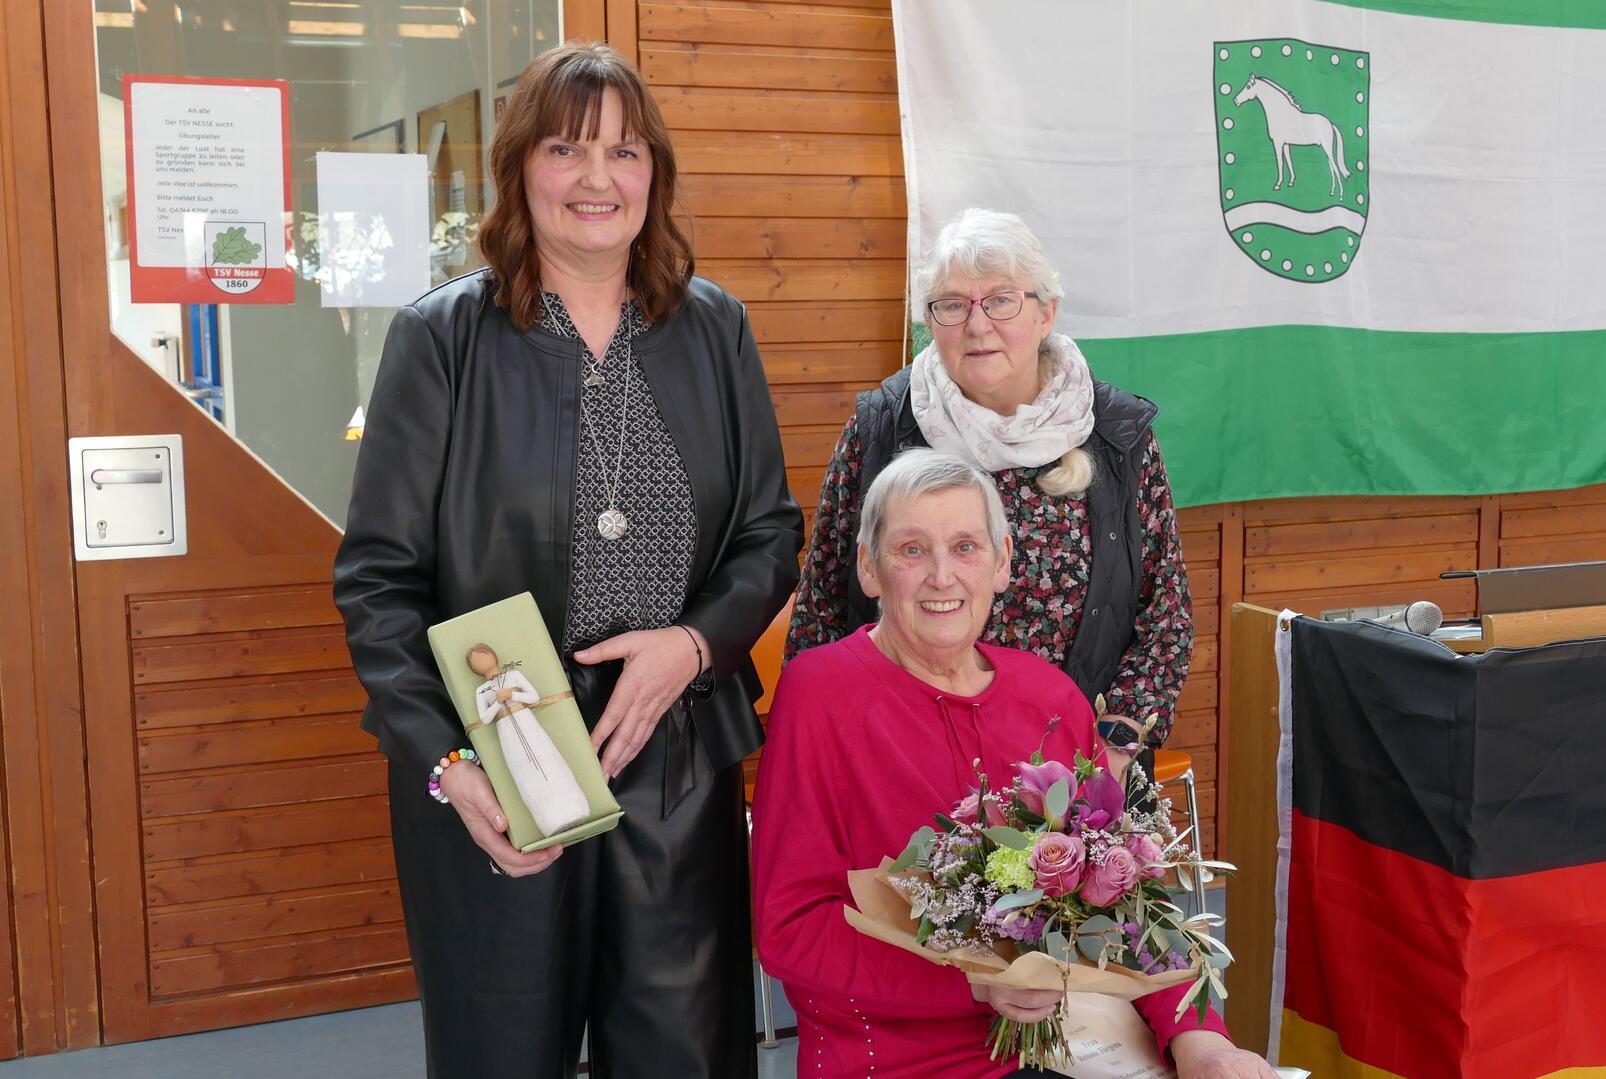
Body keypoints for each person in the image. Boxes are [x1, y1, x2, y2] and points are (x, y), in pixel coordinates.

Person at [332, 41, 801, 1078]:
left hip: (674, 757)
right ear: (520, 170)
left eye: (625, 151)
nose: (598, 178)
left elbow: (771, 531)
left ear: (655, 175)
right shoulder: (441, 339)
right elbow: (376, 579)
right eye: (566, 148)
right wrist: (451, 767)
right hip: (500, 760)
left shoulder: (713, 327)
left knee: (686, 1053)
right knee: (503, 1049)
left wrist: (692, 642)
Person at [754, 449, 1271, 1078]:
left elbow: (1130, 902)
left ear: (1001, 563)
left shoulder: (1049, 696)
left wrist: (1202, 1043)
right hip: (900, 1059)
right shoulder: (820, 695)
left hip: (1082, 1041)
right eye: (911, 550)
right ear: (869, 567)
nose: (942, 576)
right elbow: (792, 929)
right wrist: (973, 984)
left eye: (966, 547)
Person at [785, 207, 1193, 779]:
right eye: (953, 305)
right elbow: (822, 607)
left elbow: (1164, 617)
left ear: (1047, 312)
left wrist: (1112, 750)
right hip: (900, 761)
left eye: (1002, 300)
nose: (977, 327)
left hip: (1076, 766)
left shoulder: (1116, 437)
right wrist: (835, 748)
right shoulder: (882, 427)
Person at [467, 643, 591, 836]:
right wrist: (497, 703)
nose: (481, 661)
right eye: (476, 661)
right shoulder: (481, 691)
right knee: (524, 770)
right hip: (506, 731)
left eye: (482, 655)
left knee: (547, 759)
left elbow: (533, 697)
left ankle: (575, 807)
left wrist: (512, 694)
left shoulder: (513, 675)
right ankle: (549, 821)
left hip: (527, 722)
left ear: (492, 655)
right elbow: (485, 719)